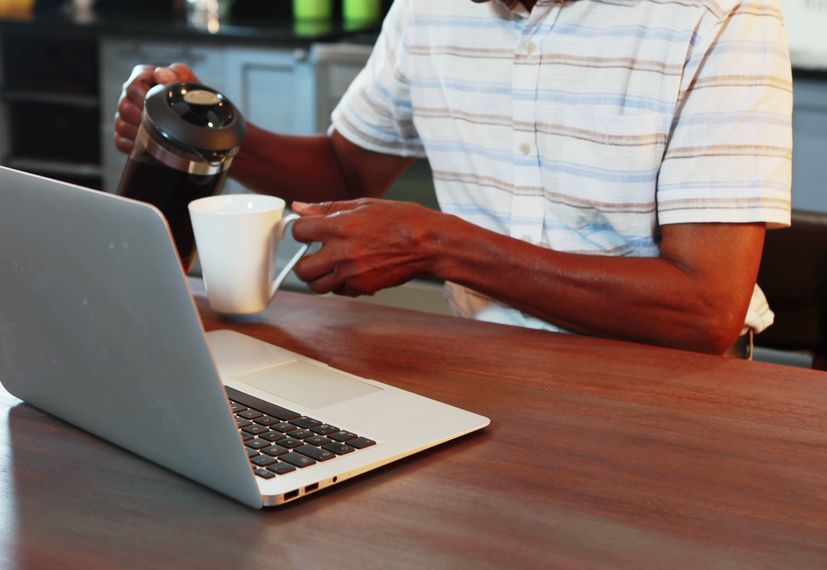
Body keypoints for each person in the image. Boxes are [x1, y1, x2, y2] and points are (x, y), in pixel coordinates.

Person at [115, 0, 792, 356]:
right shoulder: (429, 9)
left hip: (669, 388)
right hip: (483, 363)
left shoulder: (722, 15)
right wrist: (216, 130)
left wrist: (440, 246)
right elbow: (348, 166)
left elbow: (705, 311)